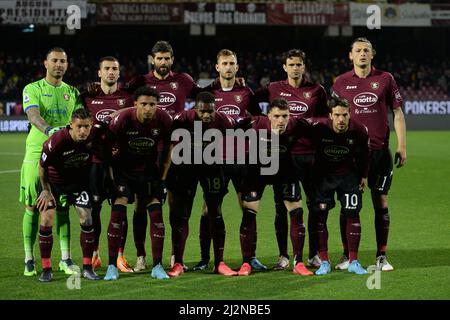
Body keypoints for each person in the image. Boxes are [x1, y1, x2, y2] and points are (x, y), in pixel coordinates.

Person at [332, 37, 406, 271]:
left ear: (372, 54)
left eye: (366, 50)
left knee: (381, 201)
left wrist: (402, 145)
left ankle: (381, 256)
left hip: (380, 153)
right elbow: (332, 117)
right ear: (350, 55)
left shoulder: (385, 79)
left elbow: (397, 112)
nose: (362, 54)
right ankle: (347, 255)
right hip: (351, 155)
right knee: (349, 205)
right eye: (358, 51)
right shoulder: (341, 83)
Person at [254, 49, 328, 270]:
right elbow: (249, 100)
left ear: (304, 67)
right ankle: (283, 256)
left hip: (310, 157)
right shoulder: (274, 88)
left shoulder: (317, 90)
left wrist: (307, 125)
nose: (295, 68)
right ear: (285, 67)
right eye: (291, 64)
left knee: (315, 207)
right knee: (281, 207)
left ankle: (314, 253)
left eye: (299, 64)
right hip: (284, 156)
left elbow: (325, 119)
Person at [192, 49, 264, 272]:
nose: (228, 67)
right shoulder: (208, 92)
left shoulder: (246, 92)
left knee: (248, 207)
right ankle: (205, 258)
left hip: (242, 158)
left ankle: (249, 258)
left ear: (237, 67)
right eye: (224, 63)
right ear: (217, 67)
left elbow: (256, 118)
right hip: (215, 160)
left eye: (232, 63)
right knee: (208, 209)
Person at [20, 47, 83, 277]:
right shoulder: (32, 88)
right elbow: (33, 115)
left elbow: (79, 122)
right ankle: (29, 259)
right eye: (55, 60)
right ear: (45, 63)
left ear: (67, 65)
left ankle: (65, 259)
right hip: (37, 153)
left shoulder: (73, 92)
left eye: (63, 61)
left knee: (63, 207)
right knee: (34, 207)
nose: (59, 64)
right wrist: (50, 130)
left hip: (64, 156)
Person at [103, 86, 172, 281]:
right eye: (144, 104)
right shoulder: (122, 120)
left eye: (152, 104)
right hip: (123, 173)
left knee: (156, 214)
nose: (148, 108)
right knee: (118, 212)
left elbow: (168, 151)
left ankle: (157, 266)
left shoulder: (164, 119)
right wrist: (110, 181)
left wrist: (163, 180)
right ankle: (111, 266)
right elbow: (106, 152)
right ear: (135, 105)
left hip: (149, 173)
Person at [238, 99, 314, 276]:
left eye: (285, 116)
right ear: (269, 116)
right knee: (249, 213)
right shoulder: (255, 123)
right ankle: (246, 262)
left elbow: (318, 135)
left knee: (296, 211)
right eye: (277, 116)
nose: (281, 120)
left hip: (285, 169)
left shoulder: (298, 124)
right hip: (258, 170)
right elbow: (228, 130)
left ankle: (299, 262)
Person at [167, 91, 238, 277]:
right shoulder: (182, 118)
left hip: (212, 168)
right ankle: (179, 263)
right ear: (194, 109)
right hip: (186, 168)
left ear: (215, 108)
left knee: (215, 213)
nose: (206, 115)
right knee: (183, 215)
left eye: (210, 111)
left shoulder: (224, 120)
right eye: (202, 111)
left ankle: (219, 263)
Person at [308, 96, 370, 276]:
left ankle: (354, 261)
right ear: (330, 115)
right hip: (324, 178)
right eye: (337, 115)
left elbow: (366, 154)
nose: (341, 119)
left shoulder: (359, 130)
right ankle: (324, 262)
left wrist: (364, 176)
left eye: (344, 115)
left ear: (350, 114)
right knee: (321, 217)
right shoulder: (318, 128)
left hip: (348, 177)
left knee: (353, 214)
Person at [36, 108, 100, 282]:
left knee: (86, 218)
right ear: (71, 125)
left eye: (86, 127)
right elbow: (41, 166)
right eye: (79, 126)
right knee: (46, 220)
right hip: (52, 184)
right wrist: (46, 190)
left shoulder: (94, 136)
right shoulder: (57, 141)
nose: (83, 131)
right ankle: (46, 269)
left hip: (78, 184)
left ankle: (87, 268)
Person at [84, 56, 134, 273]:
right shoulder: (87, 96)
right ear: (99, 72)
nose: (111, 72)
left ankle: (120, 256)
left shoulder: (127, 98)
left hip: (121, 163)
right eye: (107, 68)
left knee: (120, 210)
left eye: (115, 68)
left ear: (119, 73)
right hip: (94, 163)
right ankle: (94, 255)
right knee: (93, 210)